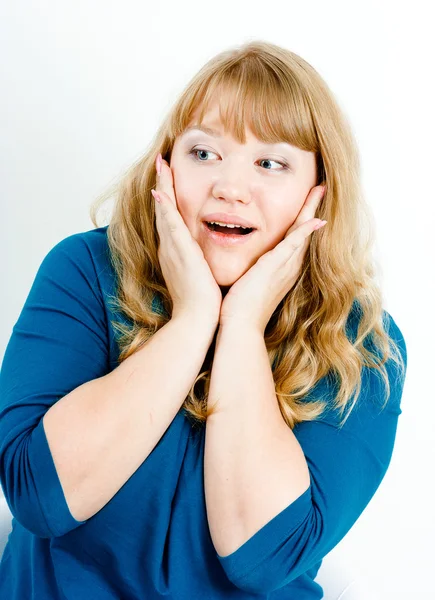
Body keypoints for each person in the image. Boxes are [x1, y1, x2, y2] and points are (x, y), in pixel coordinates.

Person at [0, 40, 407, 599]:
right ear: (166, 167)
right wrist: (193, 320)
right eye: (204, 153)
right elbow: (38, 496)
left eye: (270, 163)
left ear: (319, 194)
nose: (230, 187)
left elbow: (263, 559)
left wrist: (239, 326)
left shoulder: (359, 343)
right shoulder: (85, 271)